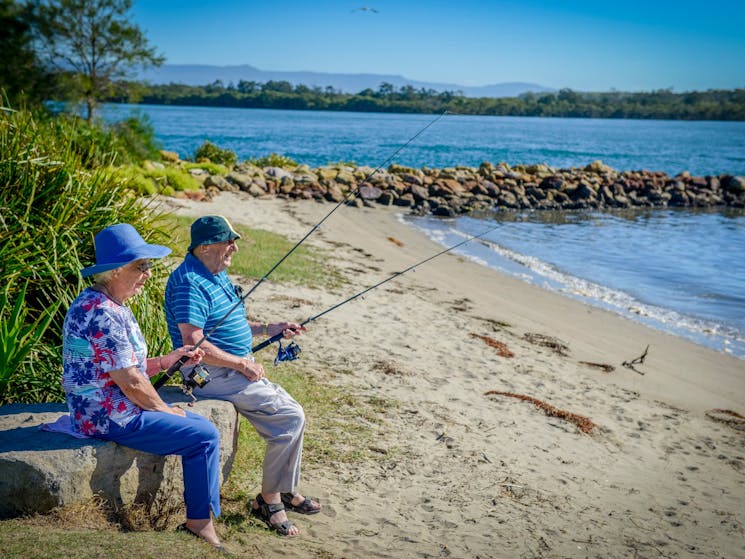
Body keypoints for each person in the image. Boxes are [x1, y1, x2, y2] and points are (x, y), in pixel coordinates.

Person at [62, 223, 224, 551]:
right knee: (204, 436)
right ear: (115, 271)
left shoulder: (106, 303)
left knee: (202, 428)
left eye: (148, 266)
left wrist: (168, 360)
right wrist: (166, 409)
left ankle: (200, 518)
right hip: (106, 415)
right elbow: (132, 382)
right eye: (142, 266)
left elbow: (125, 368)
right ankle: (199, 524)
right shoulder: (103, 314)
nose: (148, 274)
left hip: (113, 406)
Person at [164, 215, 321, 537]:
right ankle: (270, 500)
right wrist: (241, 365)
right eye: (228, 241)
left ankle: (284, 488)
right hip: (209, 371)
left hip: (230, 365)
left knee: (292, 413)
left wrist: (270, 329)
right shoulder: (189, 283)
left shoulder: (214, 273)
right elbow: (192, 343)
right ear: (206, 246)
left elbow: (228, 327)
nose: (234, 248)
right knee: (290, 418)